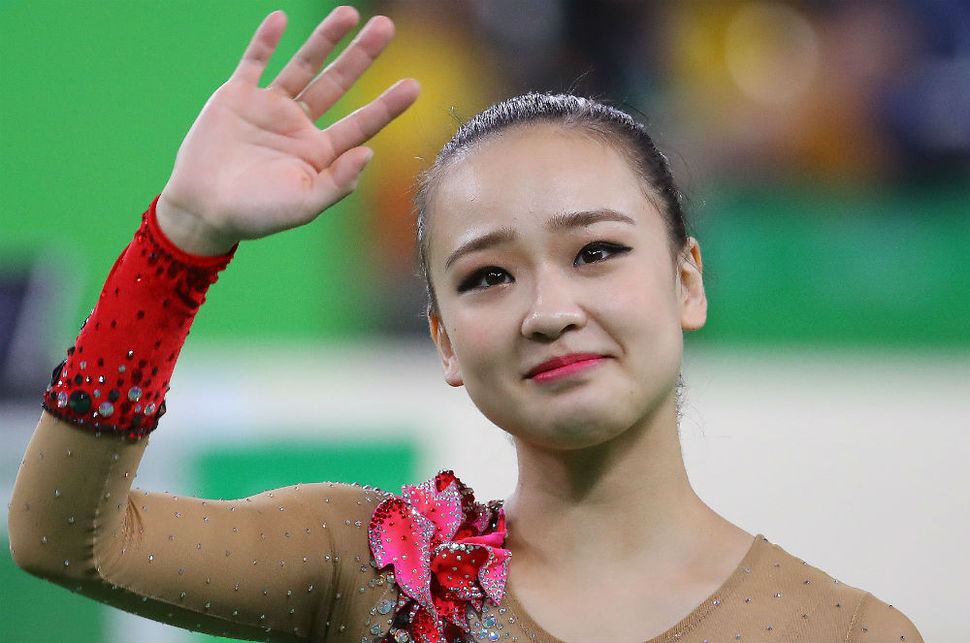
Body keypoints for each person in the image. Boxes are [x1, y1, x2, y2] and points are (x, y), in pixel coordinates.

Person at [9, 7, 922, 643]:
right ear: (444, 339)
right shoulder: (364, 569)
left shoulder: (846, 630)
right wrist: (181, 242)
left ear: (687, 280)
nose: (550, 310)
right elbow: (62, 536)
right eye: (487, 275)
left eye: (597, 252)